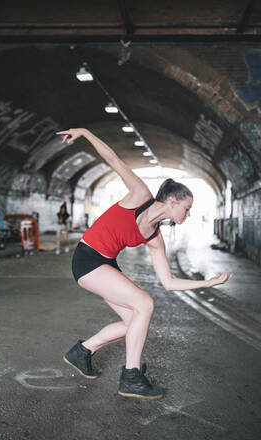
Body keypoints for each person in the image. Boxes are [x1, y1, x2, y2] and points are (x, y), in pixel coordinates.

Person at [56, 128, 232, 399]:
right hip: (87, 258)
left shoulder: (154, 237)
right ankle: (131, 377)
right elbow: (114, 160)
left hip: (106, 264)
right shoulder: (140, 195)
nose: (189, 213)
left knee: (133, 322)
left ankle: (82, 352)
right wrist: (86, 133)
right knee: (145, 304)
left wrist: (208, 282)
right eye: (187, 207)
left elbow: (169, 282)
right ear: (172, 201)